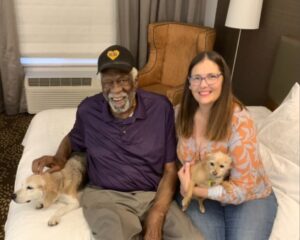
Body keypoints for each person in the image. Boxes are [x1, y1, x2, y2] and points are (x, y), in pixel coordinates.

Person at [32, 45, 203, 240]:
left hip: (153, 196)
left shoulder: (160, 108)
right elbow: (73, 138)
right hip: (106, 197)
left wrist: (157, 213)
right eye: (108, 82)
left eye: (122, 81)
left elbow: (170, 169)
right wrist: (60, 157)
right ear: (101, 85)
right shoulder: (89, 110)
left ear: (136, 81)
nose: (116, 90)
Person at [176, 50, 278, 240]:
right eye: (196, 78)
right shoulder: (181, 114)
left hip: (247, 197)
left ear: (224, 80)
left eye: (212, 76)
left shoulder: (240, 121)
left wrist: (191, 190)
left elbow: (242, 188)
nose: (203, 84)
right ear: (189, 84)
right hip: (204, 192)